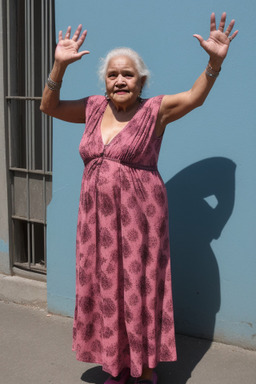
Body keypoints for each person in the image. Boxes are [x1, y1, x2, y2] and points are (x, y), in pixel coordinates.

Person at [40, 12, 238, 384]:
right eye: (113, 75)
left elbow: (195, 98)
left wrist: (214, 62)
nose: (119, 80)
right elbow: (48, 106)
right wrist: (59, 66)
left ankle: (145, 368)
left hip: (139, 220)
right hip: (95, 221)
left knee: (137, 286)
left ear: (141, 81)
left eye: (127, 74)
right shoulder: (93, 108)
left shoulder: (155, 111)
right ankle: (115, 364)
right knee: (105, 287)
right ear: (105, 82)